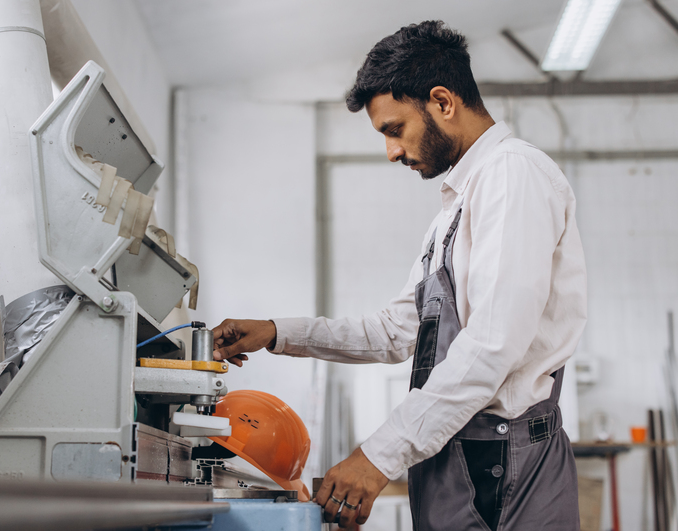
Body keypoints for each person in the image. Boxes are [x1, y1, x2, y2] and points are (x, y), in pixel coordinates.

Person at [212, 20, 586, 531]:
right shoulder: (453, 212)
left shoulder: (512, 175)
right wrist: (278, 332)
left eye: (394, 129)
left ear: (442, 102)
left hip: (506, 463)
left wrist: (377, 458)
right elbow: (393, 331)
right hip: (462, 452)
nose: (391, 151)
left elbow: (494, 343)